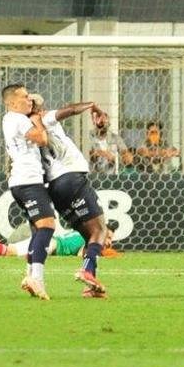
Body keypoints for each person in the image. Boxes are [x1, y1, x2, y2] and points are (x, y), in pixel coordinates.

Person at [31, 93, 111, 298]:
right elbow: (70, 109)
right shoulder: (43, 118)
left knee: (88, 236)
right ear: (38, 109)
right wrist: (92, 105)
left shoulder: (27, 132)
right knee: (100, 230)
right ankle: (87, 271)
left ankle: (91, 281)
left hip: (54, 188)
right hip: (71, 178)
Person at [2, 83, 56, 300]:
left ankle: (31, 275)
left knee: (37, 229)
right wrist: (37, 123)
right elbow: (42, 139)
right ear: (12, 102)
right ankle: (37, 277)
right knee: (47, 226)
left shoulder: (10, 119)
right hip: (28, 181)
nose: (29, 100)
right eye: (25, 97)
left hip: (21, 181)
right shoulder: (17, 119)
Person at [87, 108, 132, 173]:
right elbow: (90, 154)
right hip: (93, 176)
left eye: (105, 123)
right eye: (100, 122)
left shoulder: (115, 138)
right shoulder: (89, 136)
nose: (103, 125)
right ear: (95, 123)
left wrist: (125, 156)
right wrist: (105, 154)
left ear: (108, 124)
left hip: (110, 176)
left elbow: (125, 154)